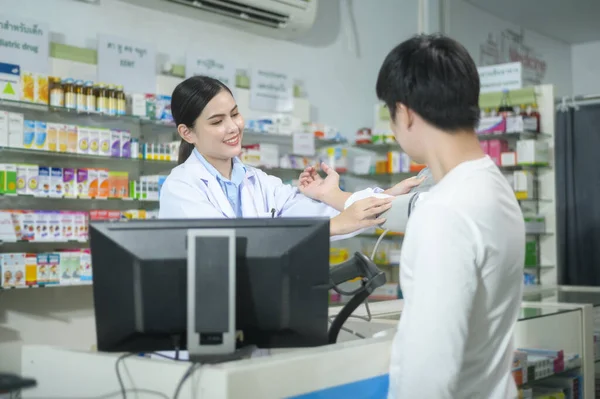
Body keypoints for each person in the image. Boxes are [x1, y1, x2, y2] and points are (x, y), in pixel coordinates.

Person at [375, 34, 525, 398]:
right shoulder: (494, 186)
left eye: (389, 115)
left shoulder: (443, 213)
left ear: (405, 112)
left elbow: (428, 376)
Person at [158, 76, 422, 238]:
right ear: (187, 133)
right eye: (217, 121)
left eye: (235, 114)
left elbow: (324, 214)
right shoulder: (181, 186)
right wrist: (333, 226)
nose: (233, 127)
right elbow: (224, 243)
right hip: (205, 309)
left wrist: (387, 196)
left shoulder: (259, 182)